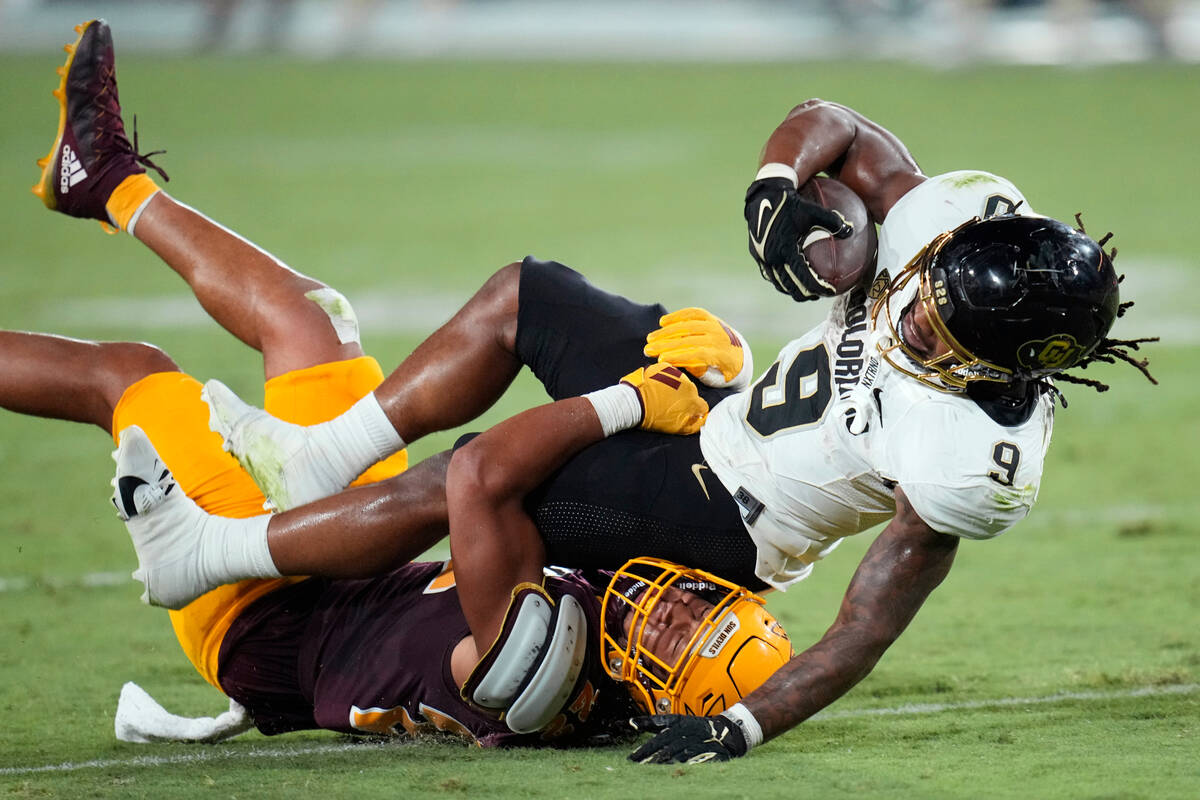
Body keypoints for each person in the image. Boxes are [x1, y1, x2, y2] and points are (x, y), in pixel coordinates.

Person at [42, 22, 1158, 762]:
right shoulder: (958, 226)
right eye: (919, 297)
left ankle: (212, 555)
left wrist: (745, 722)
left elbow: (866, 622)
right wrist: (779, 182)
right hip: (725, 426)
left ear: (1003, 367)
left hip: (723, 517)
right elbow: (844, 126)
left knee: (479, 478)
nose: (907, 314)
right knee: (528, 294)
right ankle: (328, 454)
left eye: (936, 331)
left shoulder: (974, 461)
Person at [23, 19, 793, 747]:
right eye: (698, 609)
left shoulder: (547, 671)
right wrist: (722, 376)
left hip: (271, 614)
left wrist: (633, 398)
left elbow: (479, 473)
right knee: (310, 319)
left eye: (675, 641)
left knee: (128, 373)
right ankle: (107, 179)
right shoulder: (618, 606)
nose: (670, 610)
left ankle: (205, 548)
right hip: (359, 556)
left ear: (662, 700)